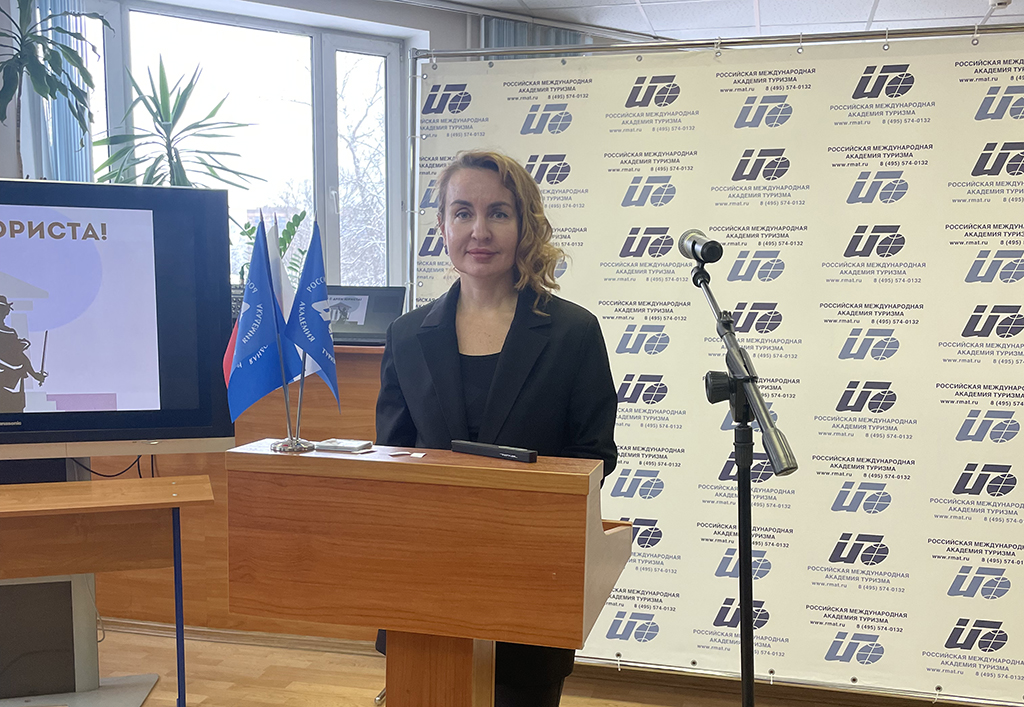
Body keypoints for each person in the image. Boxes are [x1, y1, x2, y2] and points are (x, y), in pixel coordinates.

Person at [374, 150, 618, 707]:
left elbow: (593, 454)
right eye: (463, 212)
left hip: (531, 577)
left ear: (524, 225)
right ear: (442, 227)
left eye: (498, 213)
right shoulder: (406, 336)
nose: (479, 231)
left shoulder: (574, 332)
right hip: (425, 581)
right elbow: (392, 458)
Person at [0, 295, 47, 413]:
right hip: (8, 381)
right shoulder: (10, 333)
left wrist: (35, 375)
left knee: (15, 413)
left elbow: (20, 357)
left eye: (3, 310)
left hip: (13, 383)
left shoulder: (11, 333)